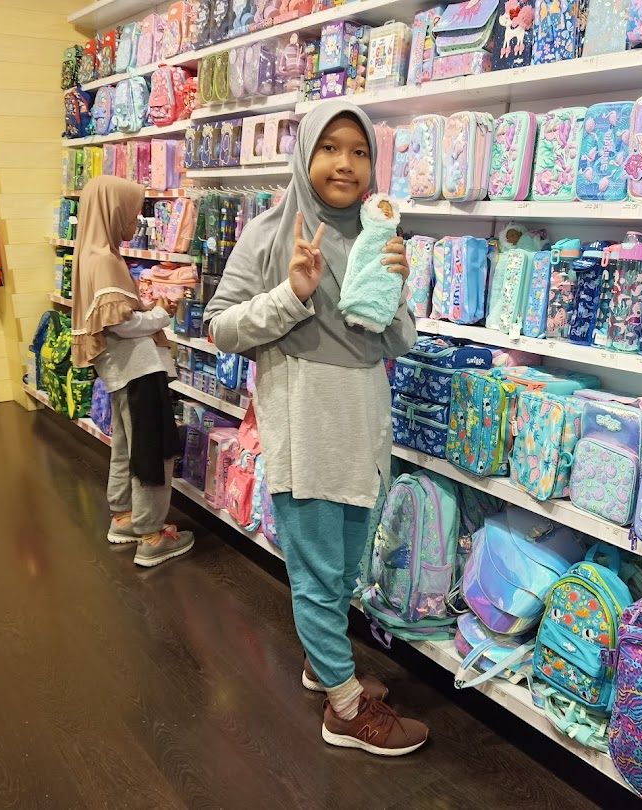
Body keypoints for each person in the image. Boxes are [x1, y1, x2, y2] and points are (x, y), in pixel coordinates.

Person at [204, 100, 425, 756]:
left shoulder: (377, 235)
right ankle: (345, 709)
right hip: (306, 427)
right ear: (305, 154)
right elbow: (219, 327)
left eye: (359, 151)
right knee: (319, 571)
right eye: (330, 147)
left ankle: (321, 664)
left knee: (346, 565)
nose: (345, 163)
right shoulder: (270, 234)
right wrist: (293, 293)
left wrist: (394, 292)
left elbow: (402, 341)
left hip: (363, 425)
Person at [71, 175, 193, 568]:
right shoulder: (106, 261)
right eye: (132, 212)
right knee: (152, 452)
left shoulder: (89, 254)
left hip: (119, 372)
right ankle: (152, 536)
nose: (137, 220)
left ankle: (123, 516)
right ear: (113, 211)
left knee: (126, 447)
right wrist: (160, 313)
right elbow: (120, 324)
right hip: (138, 370)